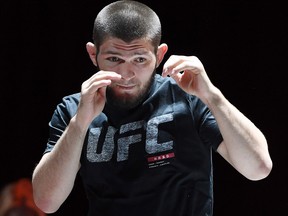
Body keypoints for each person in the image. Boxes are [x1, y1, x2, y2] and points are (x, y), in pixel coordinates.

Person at [32, 1, 273, 215]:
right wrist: (79, 123)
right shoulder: (74, 108)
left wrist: (212, 95)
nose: (126, 74)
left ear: (159, 55)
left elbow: (258, 168)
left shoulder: (187, 96)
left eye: (140, 59)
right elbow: (46, 201)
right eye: (114, 59)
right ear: (93, 54)